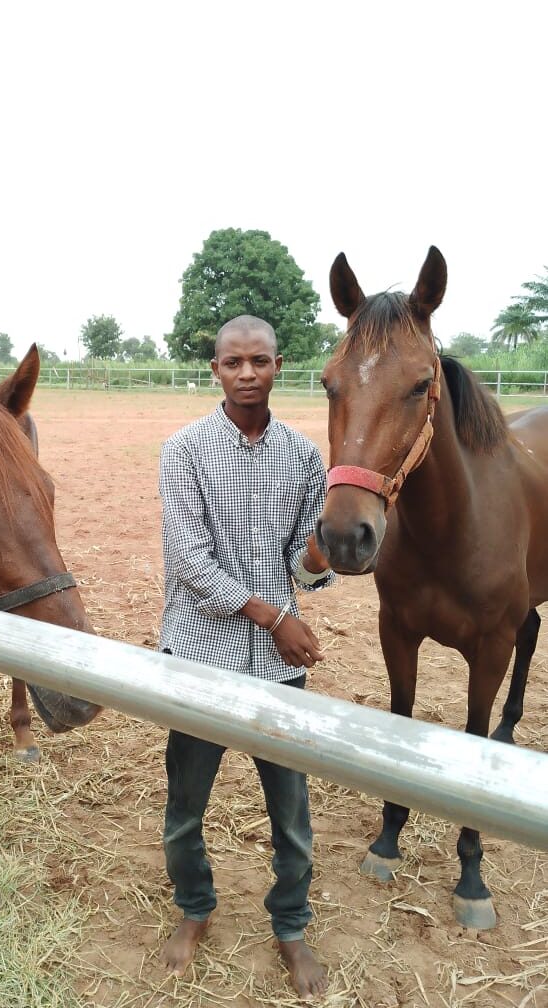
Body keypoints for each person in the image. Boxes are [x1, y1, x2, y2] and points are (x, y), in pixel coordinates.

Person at [157, 315, 334, 1000]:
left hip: (278, 668)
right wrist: (274, 614)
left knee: (291, 811)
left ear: (278, 366)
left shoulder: (305, 458)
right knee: (185, 806)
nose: (247, 373)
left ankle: (290, 926)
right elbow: (190, 563)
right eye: (234, 362)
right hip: (202, 654)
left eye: (260, 360)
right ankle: (195, 910)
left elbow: (304, 561)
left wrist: (320, 558)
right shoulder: (185, 450)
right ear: (216, 371)